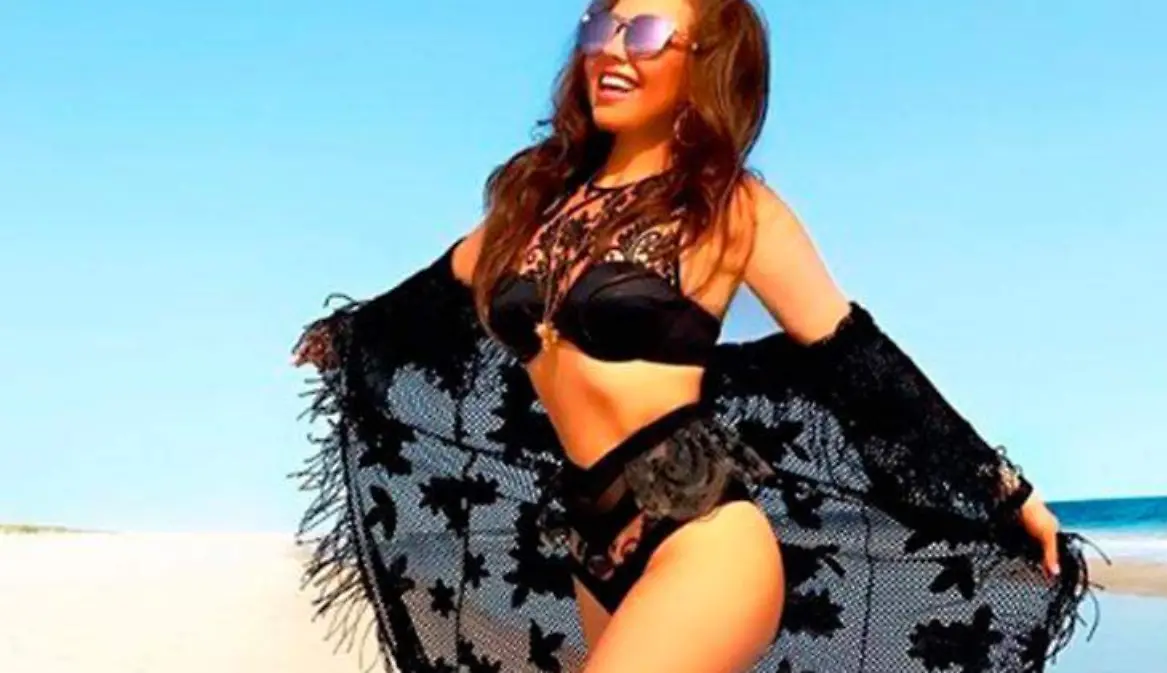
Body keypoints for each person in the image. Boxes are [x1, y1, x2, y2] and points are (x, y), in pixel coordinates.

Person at [292, 1, 1092, 671]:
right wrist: (348, 337)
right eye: (600, 26)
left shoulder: (730, 207)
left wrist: (1001, 488)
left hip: (703, 535)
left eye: (644, 34)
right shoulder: (535, 199)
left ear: (705, 63)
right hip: (593, 541)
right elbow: (438, 292)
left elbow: (857, 361)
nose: (611, 50)